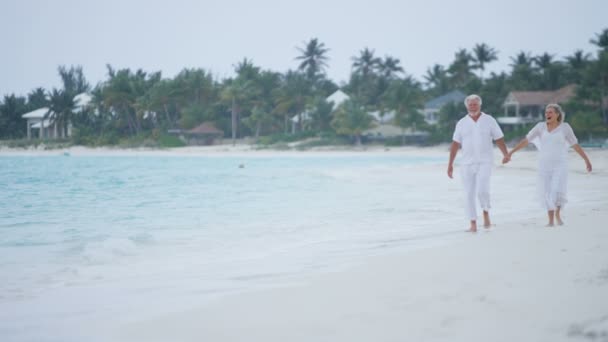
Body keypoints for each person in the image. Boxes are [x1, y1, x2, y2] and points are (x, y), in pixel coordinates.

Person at [504, 103, 592, 226]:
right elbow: (526, 141)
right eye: (546, 112)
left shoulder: (565, 128)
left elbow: (575, 145)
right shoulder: (540, 127)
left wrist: (586, 160)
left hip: (560, 165)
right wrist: (511, 153)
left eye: (550, 112)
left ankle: (558, 214)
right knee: (546, 192)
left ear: (557, 114)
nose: (547, 114)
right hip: (544, 165)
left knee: (557, 191)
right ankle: (550, 220)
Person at [447, 94, 510, 232]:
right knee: (468, 193)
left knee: (482, 189)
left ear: (480, 105)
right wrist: (450, 164)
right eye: (470, 104)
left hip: (485, 161)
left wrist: (505, 154)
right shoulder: (461, 123)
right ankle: (473, 223)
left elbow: (499, 138)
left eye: (475, 104)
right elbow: (455, 144)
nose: (473, 106)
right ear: (467, 106)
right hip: (466, 163)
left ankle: (486, 211)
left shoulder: (489, 120)